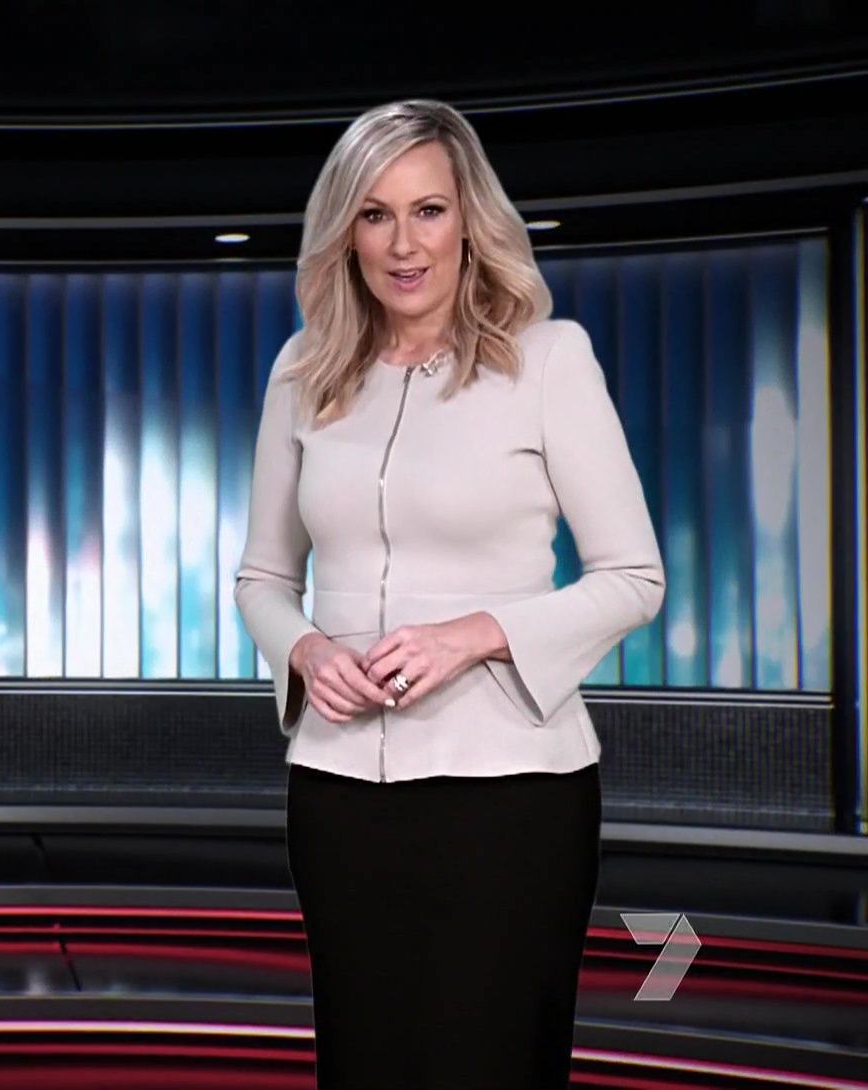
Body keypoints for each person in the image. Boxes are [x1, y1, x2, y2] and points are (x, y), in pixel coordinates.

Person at [232, 99, 666, 1088]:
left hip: (512, 802)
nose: (403, 244)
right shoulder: (302, 370)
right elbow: (263, 579)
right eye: (375, 214)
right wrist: (305, 650)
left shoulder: (549, 359)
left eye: (428, 210)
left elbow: (634, 579)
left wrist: (474, 634)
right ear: (345, 230)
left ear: (470, 219)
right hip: (338, 798)